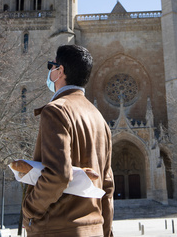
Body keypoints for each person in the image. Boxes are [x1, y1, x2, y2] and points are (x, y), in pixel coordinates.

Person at [22, 44, 114, 237]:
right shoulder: (100, 120)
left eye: (51, 66)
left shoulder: (56, 110)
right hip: (94, 230)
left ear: (60, 71)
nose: (50, 71)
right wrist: (104, 232)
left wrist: (29, 210)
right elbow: (107, 187)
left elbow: (58, 175)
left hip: (56, 229)